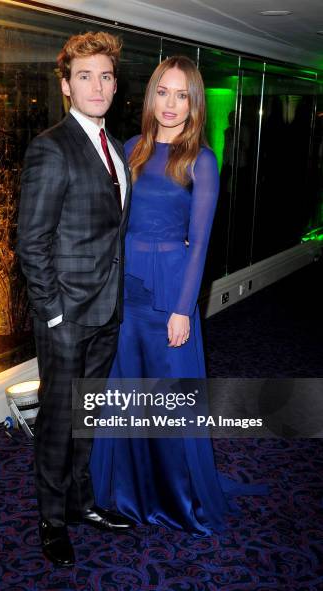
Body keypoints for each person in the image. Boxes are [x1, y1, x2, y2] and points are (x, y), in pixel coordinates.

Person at [91, 56, 267, 535]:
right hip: (126, 287)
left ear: (193, 103)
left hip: (170, 287)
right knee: (126, 390)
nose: (170, 104)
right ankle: (126, 491)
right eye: (163, 92)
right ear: (152, 97)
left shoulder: (201, 160)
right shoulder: (131, 148)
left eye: (181, 95)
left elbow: (201, 241)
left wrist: (183, 309)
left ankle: (177, 495)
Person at [17, 31, 133, 568]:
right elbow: (31, 242)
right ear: (66, 85)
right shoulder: (51, 146)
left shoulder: (117, 149)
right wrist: (55, 312)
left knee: (87, 416)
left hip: (107, 311)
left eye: (105, 75)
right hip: (66, 317)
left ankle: (83, 504)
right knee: (57, 422)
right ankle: (51, 519)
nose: (97, 85)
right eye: (84, 75)